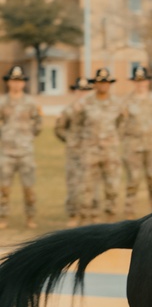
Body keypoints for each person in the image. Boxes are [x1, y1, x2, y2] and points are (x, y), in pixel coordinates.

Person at [77, 67, 127, 222]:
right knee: (87, 187)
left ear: (110, 84)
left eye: (106, 82)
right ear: (95, 84)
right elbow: (78, 125)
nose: (103, 85)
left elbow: (122, 124)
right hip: (90, 152)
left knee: (112, 186)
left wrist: (112, 140)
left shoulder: (118, 104)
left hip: (110, 152)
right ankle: (87, 217)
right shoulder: (85, 103)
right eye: (100, 82)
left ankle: (110, 217)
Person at [0, 66, 43, 229]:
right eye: (13, 81)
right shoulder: (2, 102)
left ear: (23, 83)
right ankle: (2, 217)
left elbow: (38, 123)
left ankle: (30, 217)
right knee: (3, 188)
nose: (16, 84)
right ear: (8, 82)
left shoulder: (30, 103)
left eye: (19, 81)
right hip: (6, 152)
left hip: (25, 152)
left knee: (29, 188)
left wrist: (29, 136)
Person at [121, 65, 152, 217]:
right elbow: (121, 123)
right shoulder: (126, 101)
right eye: (137, 81)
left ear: (147, 82)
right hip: (132, 146)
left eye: (143, 80)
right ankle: (129, 209)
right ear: (134, 82)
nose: (141, 84)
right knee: (133, 179)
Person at [55, 76, 93, 227]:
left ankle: (89, 214)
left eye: (86, 90)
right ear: (75, 91)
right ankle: (73, 213)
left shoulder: (95, 108)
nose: (83, 93)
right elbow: (59, 129)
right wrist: (70, 139)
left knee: (91, 184)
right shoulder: (69, 110)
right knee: (73, 183)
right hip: (74, 153)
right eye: (80, 90)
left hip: (92, 151)